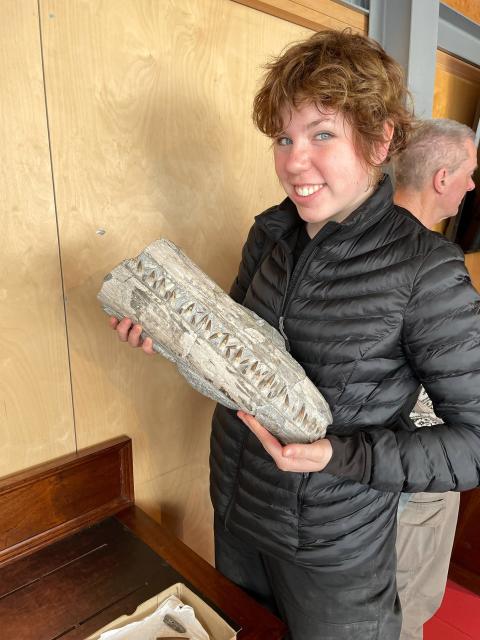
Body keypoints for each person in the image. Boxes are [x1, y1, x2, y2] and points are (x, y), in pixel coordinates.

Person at [111, 30, 480, 640]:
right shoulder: (272, 234)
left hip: (333, 551)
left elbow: (472, 444)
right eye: (284, 137)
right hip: (237, 514)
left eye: (322, 134)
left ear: (380, 138)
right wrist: (171, 338)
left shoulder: (427, 270)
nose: (293, 161)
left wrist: (340, 456)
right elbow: (231, 354)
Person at [392, 118, 477, 640]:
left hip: (353, 466)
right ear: (442, 178)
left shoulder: (349, 242)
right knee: (407, 603)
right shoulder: (436, 264)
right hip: (419, 464)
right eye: (469, 173)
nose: (472, 186)